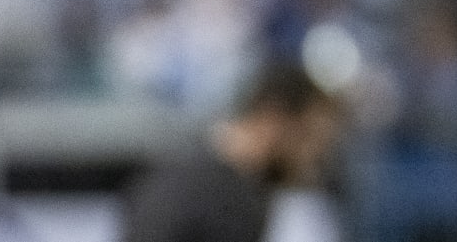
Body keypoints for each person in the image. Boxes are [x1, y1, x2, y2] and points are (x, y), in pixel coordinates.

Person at [121, 61, 343, 242]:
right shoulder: (201, 191)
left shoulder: (240, 186)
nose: (314, 159)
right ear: (274, 119)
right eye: (310, 139)